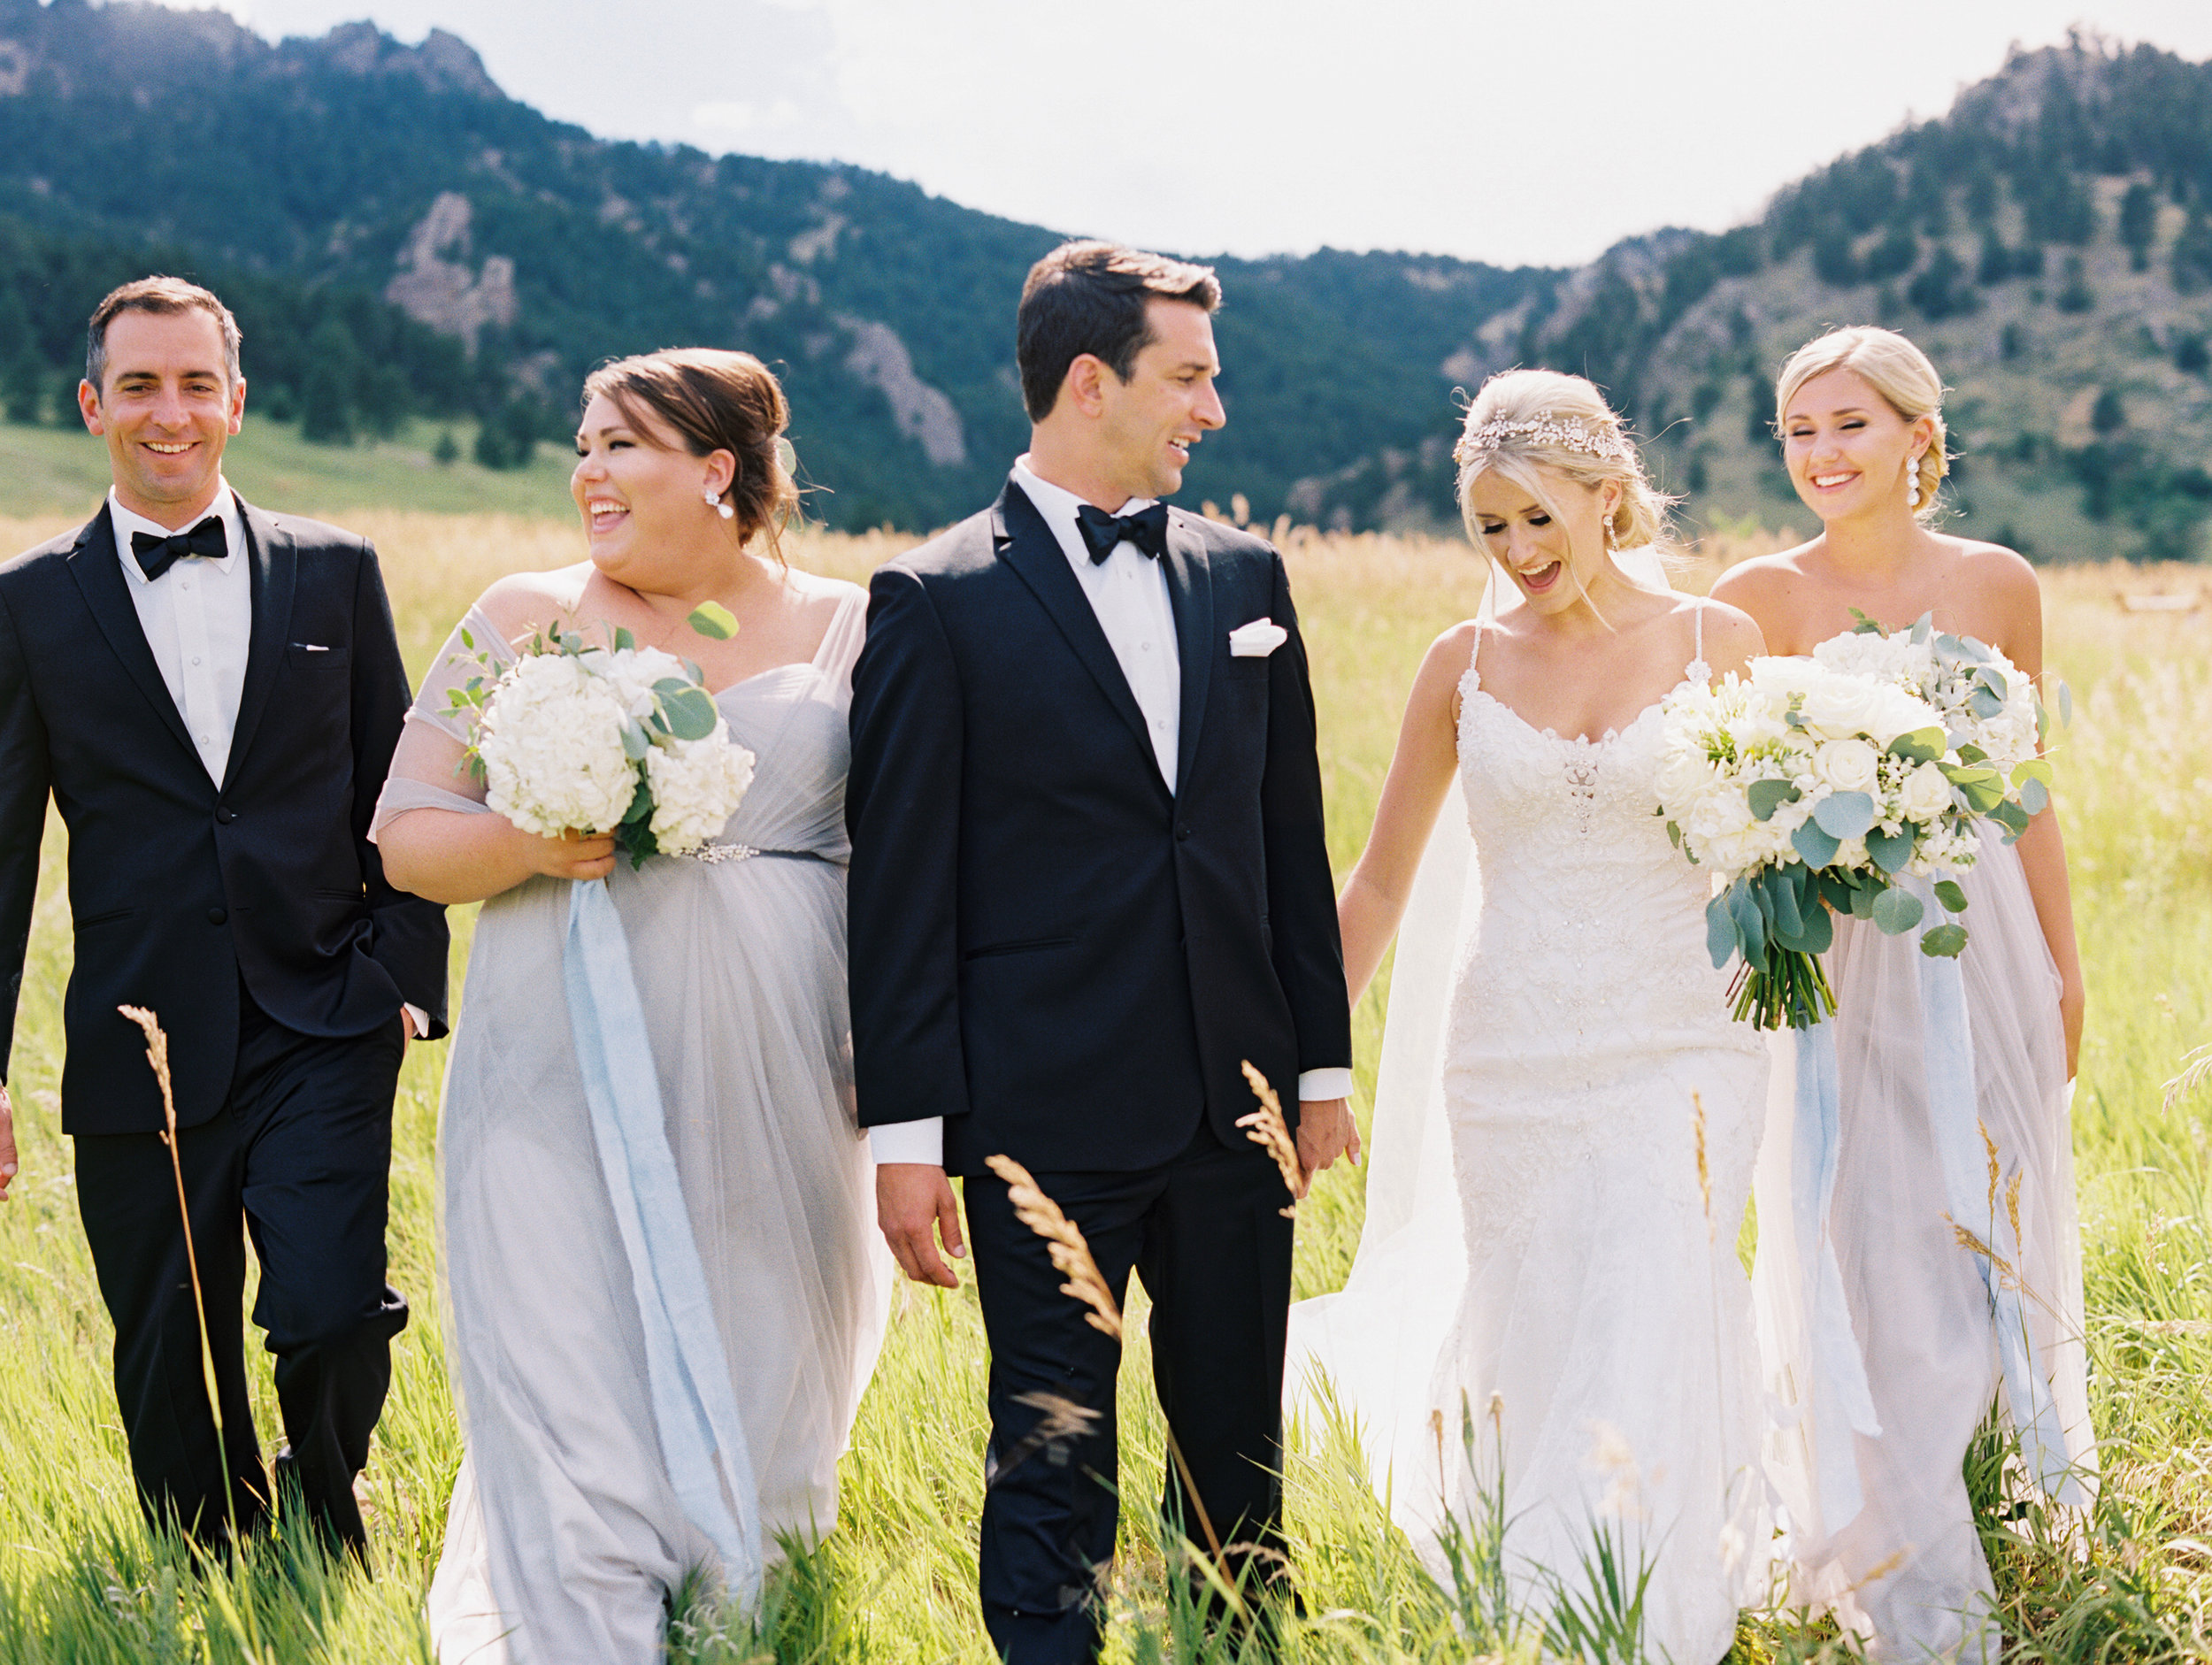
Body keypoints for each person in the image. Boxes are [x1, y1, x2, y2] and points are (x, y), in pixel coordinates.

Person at [846, 241, 1355, 1664]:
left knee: (1237, 1459)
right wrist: (907, 1133)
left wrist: (1318, 1061)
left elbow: (1284, 840)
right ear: (1090, 381)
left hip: (1235, 1099)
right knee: (1053, 1452)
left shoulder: (1247, 571)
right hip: (1042, 1111)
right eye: (1189, 376)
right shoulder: (933, 597)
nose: (1215, 407)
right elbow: (899, 894)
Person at [373, 348, 887, 1662]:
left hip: (780, 1067)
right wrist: (533, 841)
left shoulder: (857, 622)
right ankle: (583, 1627)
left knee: (769, 1364)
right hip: (551, 1060)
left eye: (621, 445)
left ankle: (733, 1610)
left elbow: (910, 857)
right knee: (561, 1350)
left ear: (717, 470)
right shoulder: (523, 614)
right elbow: (405, 835)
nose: (586, 472)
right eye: (584, 442)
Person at [1289, 370, 1772, 1664]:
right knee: (1538, 1300)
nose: (1517, 553)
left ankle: (1637, 1602)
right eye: (1491, 527)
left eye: (1539, 519)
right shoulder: (1463, 662)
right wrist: (1310, 1052)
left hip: (1685, 1033)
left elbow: (1772, 859)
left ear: (1610, 497)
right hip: (1508, 1044)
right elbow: (1383, 877)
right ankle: (1537, 1570)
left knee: (1655, 1278)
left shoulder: (1721, 643)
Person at [0, 277, 448, 1551]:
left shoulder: (337, 572)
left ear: (237, 402)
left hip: (325, 1011)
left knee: (332, 1309)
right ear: (93, 405)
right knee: (171, 1367)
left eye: (196, 382)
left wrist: (408, 978)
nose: (169, 411)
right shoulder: (27, 603)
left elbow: (393, 789)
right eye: (138, 383)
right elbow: (2, 849)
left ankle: (325, 1513)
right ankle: (212, 1564)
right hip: (136, 1030)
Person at [1712, 326, 2095, 1663]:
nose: (1823, 452)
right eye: (1801, 429)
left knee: (1974, 1201)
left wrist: (2063, 958)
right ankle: (1898, 1537)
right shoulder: (1757, 593)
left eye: (1850, 425)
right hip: (1834, 953)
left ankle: (1977, 1467)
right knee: (1859, 1220)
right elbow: (1720, 792)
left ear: (1918, 435)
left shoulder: (1999, 584)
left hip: (1974, 937)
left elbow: (2030, 785)